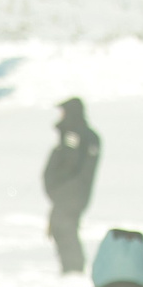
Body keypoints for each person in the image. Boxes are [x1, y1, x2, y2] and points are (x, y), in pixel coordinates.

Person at [42, 97, 99, 275]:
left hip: (69, 193)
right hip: (77, 193)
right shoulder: (89, 136)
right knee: (64, 227)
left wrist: (55, 185)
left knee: (64, 229)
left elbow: (68, 163)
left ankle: (73, 269)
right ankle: (72, 268)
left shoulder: (74, 134)